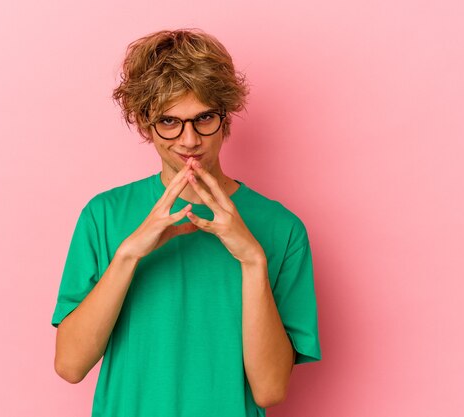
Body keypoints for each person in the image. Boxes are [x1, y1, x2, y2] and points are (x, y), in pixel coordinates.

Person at [51, 28, 321, 416]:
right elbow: (70, 366)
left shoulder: (282, 228)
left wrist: (252, 260)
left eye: (204, 118)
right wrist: (128, 254)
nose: (189, 139)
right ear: (146, 123)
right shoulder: (104, 215)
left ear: (225, 118)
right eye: (169, 122)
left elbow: (270, 391)